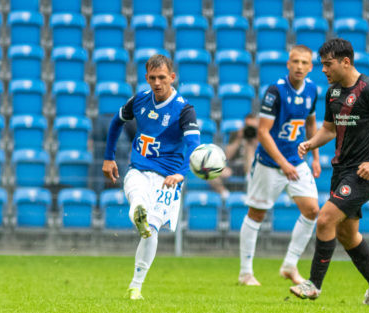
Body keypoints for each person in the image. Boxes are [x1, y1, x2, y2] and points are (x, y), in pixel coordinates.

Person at [290, 38, 369, 305]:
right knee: (346, 234)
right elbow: (329, 130)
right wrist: (310, 143)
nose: (323, 70)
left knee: (325, 218)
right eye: (322, 65)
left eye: (327, 64)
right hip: (342, 171)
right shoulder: (332, 93)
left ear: (346, 61)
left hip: (367, 172)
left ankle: (313, 285)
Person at [102, 54, 200, 300]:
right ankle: (138, 210)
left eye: (162, 78)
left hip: (168, 178)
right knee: (135, 188)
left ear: (172, 77)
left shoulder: (184, 109)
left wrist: (181, 174)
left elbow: (193, 144)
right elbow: (116, 122)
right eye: (153, 78)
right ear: (146, 77)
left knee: (151, 231)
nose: (157, 83)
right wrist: (109, 157)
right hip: (140, 168)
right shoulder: (139, 100)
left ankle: (136, 286)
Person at [238, 45, 321, 286]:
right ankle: (245, 273)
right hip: (269, 164)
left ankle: (289, 265)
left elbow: (311, 124)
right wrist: (282, 163)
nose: (299, 66)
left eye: (304, 63)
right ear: (288, 64)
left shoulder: (313, 90)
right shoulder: (275, 91)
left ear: (310, 67)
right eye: (295, 61)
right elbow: (263, 132)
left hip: (297, 161)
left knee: (312, 210)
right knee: (256, 214)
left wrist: (315, 157)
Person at [208, 113, 259, 198]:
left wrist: (253, 142)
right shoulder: (236, 134)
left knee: (249, 151)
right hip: (234, 167)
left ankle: (250, 187)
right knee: (209, 170)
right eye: (248, 126)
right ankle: (224, 193)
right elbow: (227, 156)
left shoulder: (261, 136)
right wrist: (238, 140)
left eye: (253, 127)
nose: (250, 129)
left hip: (252, 168)